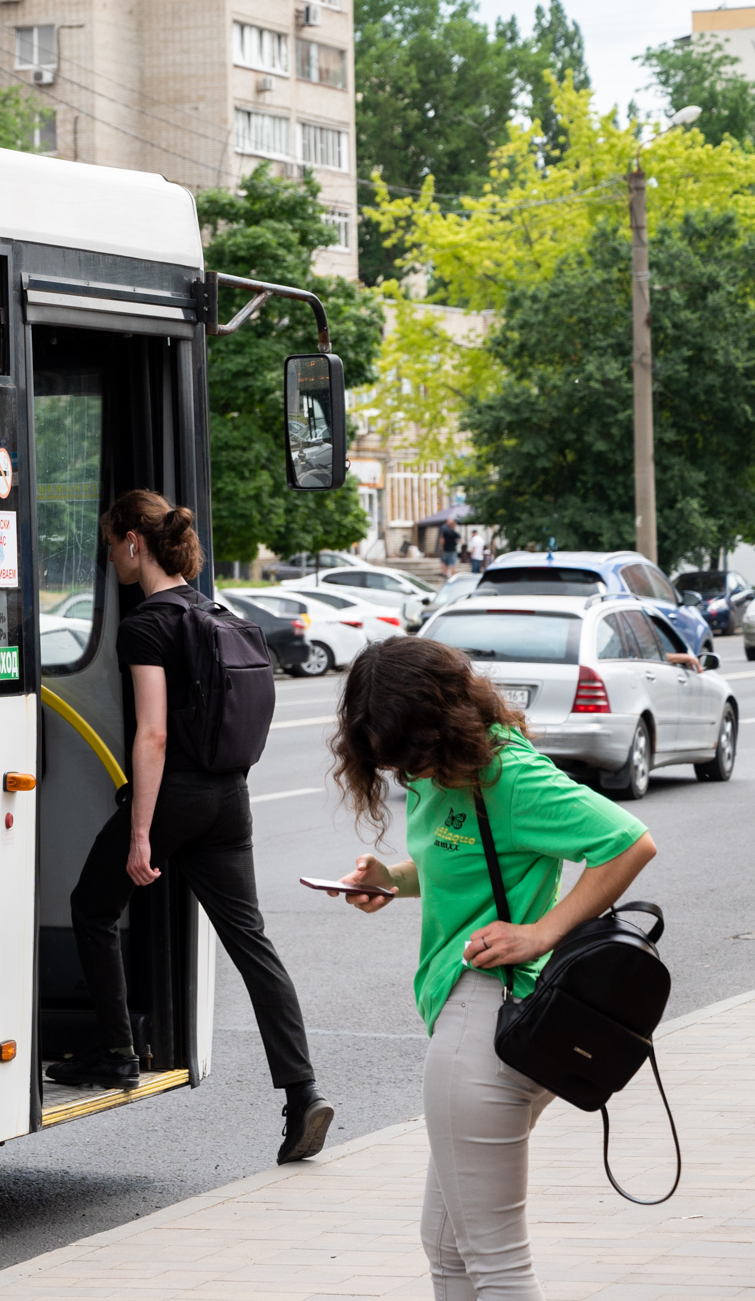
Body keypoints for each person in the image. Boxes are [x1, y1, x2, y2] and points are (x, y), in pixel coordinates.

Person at [324, 637, 656, 1301]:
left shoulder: (505, 774)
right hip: (488, 1026)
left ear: (437, 719)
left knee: (495, 1264)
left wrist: (543, 931)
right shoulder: (437, 770)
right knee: (448, 1249)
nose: (398, 767)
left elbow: (627, 841)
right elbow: (471, 858)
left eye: (404, 750)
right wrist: (392, 879)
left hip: (487, 1020)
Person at [62, 489, 333, 1163]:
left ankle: (119, 1051)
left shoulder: (146, 624)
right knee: (252, 944)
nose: (110, 556)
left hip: (177, 795)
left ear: (133, 543)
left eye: (110, 543)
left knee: (92, 906)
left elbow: (151, 734)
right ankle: (303, 1092)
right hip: (229, 797)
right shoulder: (218, 612)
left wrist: (141, 831)